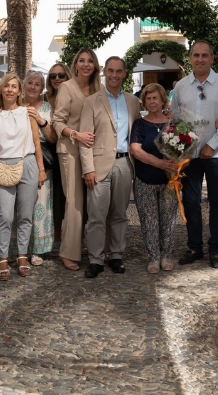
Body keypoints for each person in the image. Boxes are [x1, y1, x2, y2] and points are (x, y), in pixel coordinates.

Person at [169, 40, 218, 269]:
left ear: (212, 58)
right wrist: (179, 148)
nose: (200, 59)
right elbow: (175, 120)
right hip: (190, 155)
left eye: (204, 55)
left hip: (215, 155)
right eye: (196, 55)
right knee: (190, 201)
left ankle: (215, 248)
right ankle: (195, 247)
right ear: (190, 58)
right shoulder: (181, 86)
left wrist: (213, 144)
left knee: (217, 202)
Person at [80, 57, 141, 278]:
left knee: (120, 214)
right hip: (98, 165)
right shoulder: (91, 101)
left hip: (125, 163)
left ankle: (116, 255)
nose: (114, 75)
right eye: (111, 71)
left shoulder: (133, 101)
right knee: (96, 216)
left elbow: (139, 131)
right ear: (104, 72)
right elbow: (84, 139)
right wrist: (88, 168)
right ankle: (95, 259)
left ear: (125, 73)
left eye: (119, 71)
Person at [0, 73, 47, 281]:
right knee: (4, 216)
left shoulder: (27, 113)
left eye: (14, 86)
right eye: (7, 86)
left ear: (19, 91)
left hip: (28, 162)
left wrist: (41, 169)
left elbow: (37, 144)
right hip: (3, 165)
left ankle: (22, 255)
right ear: (2, 90)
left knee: (25, 214)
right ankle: (2, 257)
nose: (11, 90)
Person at [52, 49, 101, 270]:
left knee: (96, 201)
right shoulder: (66, 87)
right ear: (76, 64)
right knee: (75, 202)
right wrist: (76, 134)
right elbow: (58, 121)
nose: (86, 64)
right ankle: (68, 252)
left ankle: (94, 246)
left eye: (90, 61)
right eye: (81, 60)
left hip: (94, 151)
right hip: (70, 150)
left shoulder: (99, 88)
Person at [130, 83, 180, 274]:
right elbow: (136, 149)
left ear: (162, 101)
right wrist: (159, 163)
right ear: (144, 101)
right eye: (148, 98)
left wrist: (176, 163)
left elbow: (183, 146)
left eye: (155, 98)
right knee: (149, 220)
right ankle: (153, 257)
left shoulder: (173, 123)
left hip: (169, 181)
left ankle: (166, 255)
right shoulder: (140, 124)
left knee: (168, 220)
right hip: (145, 180)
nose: (152, 102)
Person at [23, 71, 57, 265]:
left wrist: (40, 120)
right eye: (30, 83)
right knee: (21, 206)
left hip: (43, 160)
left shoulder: (47, 107)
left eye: (38, 84)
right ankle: (20, 248)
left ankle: (38, 249)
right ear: (24, 84)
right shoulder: (16, 105)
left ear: (42, 88)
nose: (33, 87)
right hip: (20, 161)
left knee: (41, 205)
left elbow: (53, 138)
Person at [46, 62, 71, 253]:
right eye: (53, 76)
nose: (57, 79)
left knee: (71, 197)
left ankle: (76, 237)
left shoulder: (73, 96)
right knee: (53, 198)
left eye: (61, 75)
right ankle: (55, 237)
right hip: (48, 152)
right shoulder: (46, 99)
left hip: (69, 149)